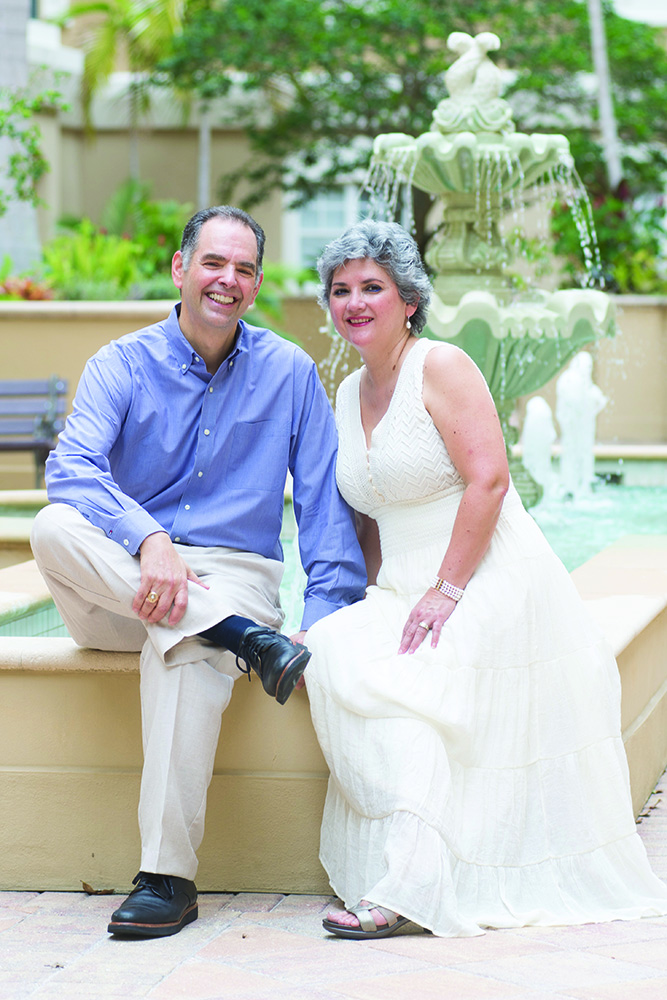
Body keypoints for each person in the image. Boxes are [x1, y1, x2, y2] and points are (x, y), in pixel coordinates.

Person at [304, 218, 667, 940]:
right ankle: (399, 865)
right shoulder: (345, 393)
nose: (353, 302)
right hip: (403, 587)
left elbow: (489, 480)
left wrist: (447, 591)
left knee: (421, 693)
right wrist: (361, 599)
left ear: (408, 299)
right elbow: (371, 517)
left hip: (486, 576)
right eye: (340, 290)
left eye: (371, 287)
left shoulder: (440, 365)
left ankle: (406, 887)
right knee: (333, 649)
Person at [30, 205, 366, 939]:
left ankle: (166, 881)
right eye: (213, 262)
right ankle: (242, 638)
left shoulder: (289, 372)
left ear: (255, 283)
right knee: (52, 526)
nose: (228, 280)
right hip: (123, 580)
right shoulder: (120, 362)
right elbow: (73, 470)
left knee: (184, 654)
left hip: (231, 572)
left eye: (244, 268)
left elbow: (320, 508)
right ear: (181, 269)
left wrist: (328, 616)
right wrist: (147, 537)